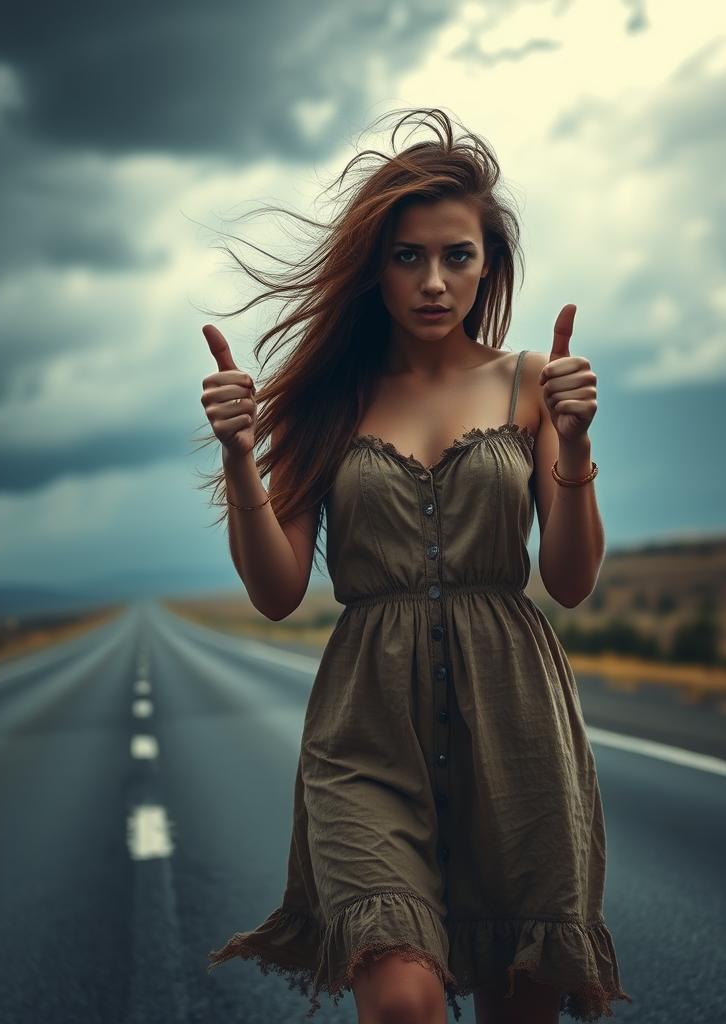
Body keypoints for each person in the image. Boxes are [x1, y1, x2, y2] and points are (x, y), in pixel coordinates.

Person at [197, 108, 632, 1024]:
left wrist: (576, 444)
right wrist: (240, 457)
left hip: (516, 724)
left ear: (489, 264)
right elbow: (276, 593)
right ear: (375, 269)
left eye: (458, 257)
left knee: (524, 1003)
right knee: (401, 1001)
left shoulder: (528, 385)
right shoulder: (327, 399)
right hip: (365, 733)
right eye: (408, 258)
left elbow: (570, 579)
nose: (435, 282)